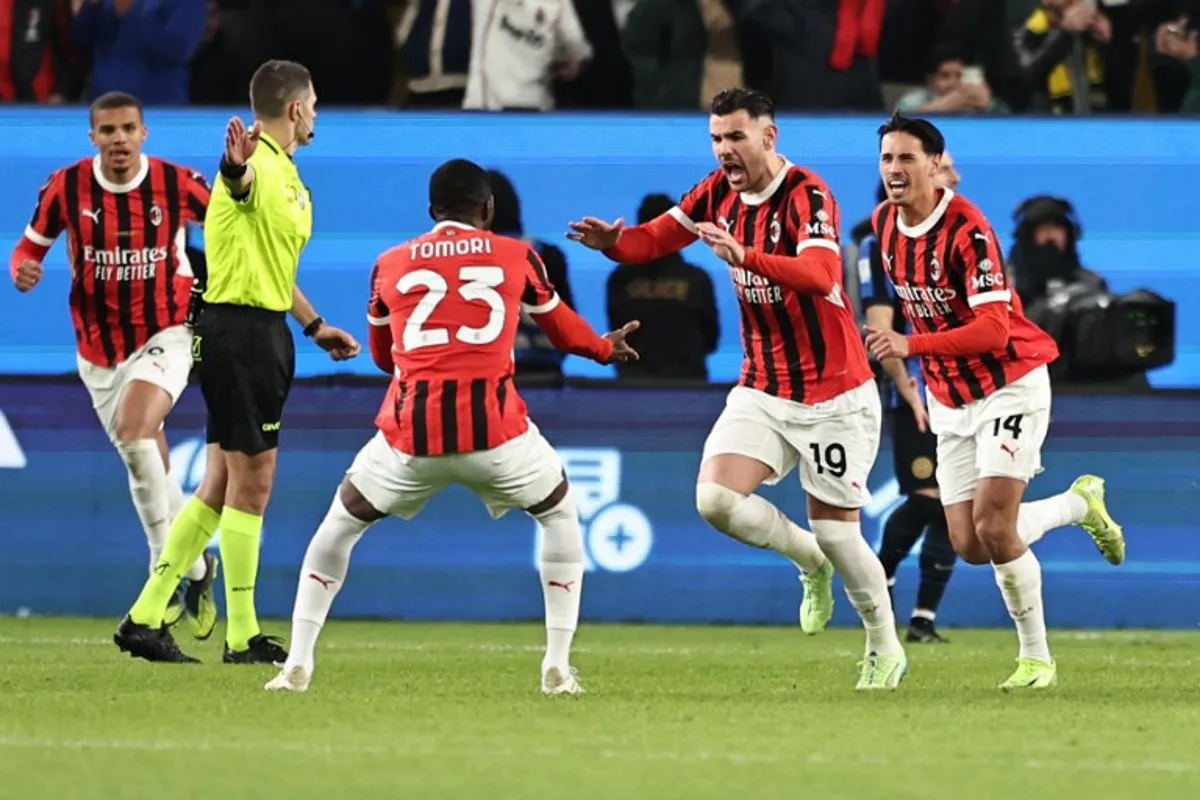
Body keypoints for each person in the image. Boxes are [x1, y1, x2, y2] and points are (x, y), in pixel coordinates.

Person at [568, 88, 907, 690]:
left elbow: (823, 274)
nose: (725, 150)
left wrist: (745, 255)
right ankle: (808, 561)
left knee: (839, 529)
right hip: (763, 387)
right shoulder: (713, 193)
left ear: (768, 137)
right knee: (715, 501)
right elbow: (653, 239)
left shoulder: (808, 194)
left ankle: (884, 645)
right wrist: (614, 244)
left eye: (736, 138)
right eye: (717, 139)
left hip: (833, 392)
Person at [264, 159, 639, 694]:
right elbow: (565, 334)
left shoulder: (389, 263)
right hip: (498, 435)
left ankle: (297, 663)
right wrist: (605, 348)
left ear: (431, 211)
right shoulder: (517, 256)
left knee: (338, 528)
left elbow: (382, 356)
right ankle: (556, 665)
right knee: (559, 513)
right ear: (488, 210)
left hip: (409, 437)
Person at [866, 113, 1125, 690]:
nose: (894, 170)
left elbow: (992, 332)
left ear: (936, 163)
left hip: (1010, 381)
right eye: (887, 159)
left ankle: (1037, 660)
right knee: (970, 543)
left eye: (907, 158)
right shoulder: (883, 224)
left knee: (993, 523)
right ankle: (1079, 506)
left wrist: (911, 344)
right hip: (952, 399)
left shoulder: (969, 230)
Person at [114, 60, 361, 664]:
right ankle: (242, 634)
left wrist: (315, 325)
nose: (317, 115)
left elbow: (269, 260)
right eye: (315, 105)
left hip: (261, 329)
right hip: (241, 336)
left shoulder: (286, 173)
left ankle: (145, 617)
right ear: (297, 109)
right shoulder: (252, 166)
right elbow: (237, 182)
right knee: (256, 481)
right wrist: (233, 167)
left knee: (221, 484)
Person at [11, 91, 219, 642]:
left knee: (136, 428)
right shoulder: (66, 187)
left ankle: (165, 572)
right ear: (93, 138)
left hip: (168, 330)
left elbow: (232, 222)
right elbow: (28, 248)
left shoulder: (177, 184)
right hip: (97, 350)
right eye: (108, 131)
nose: (119, 139)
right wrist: (24, 270)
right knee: (141, 453)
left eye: (129, 128)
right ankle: (197, 567)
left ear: (144, 133)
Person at [853, 151, 961, 644]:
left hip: (963, 391)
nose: (954, 176)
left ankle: (921, 619)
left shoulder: (961, 236)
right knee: (929, 497)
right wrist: (906, 387)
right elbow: (880, 326)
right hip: (918, 388)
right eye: (945, 168)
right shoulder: (878, 245)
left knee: (956, 503)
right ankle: (881, 586)